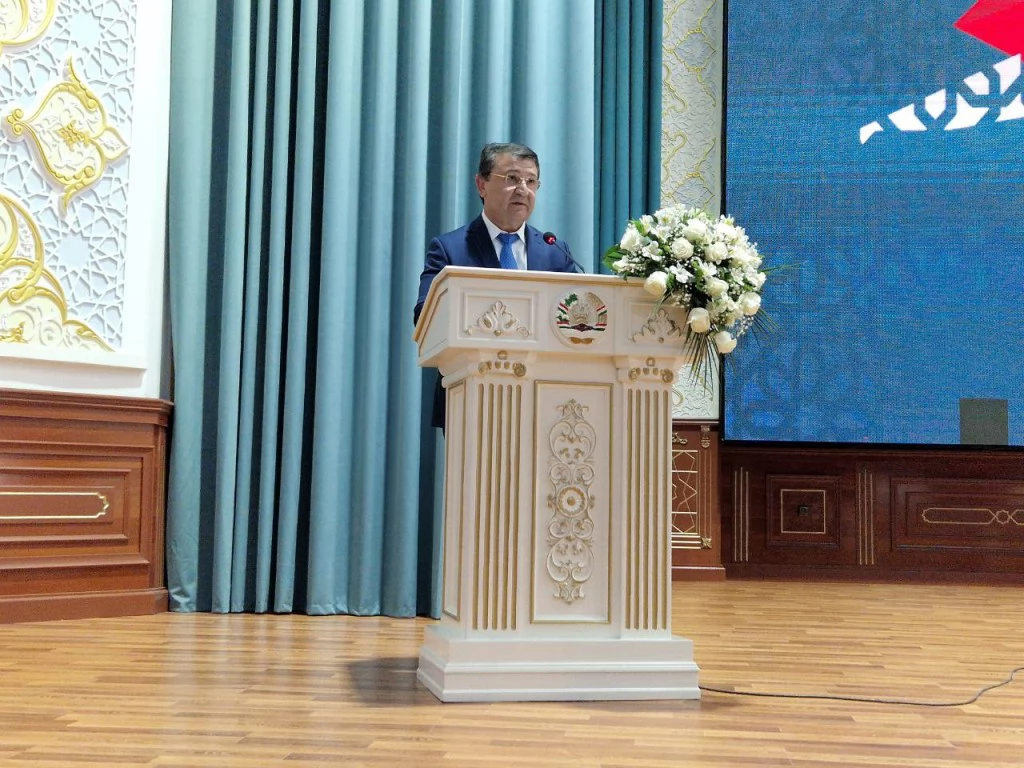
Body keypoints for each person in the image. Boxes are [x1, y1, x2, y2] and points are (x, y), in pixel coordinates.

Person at [414, 142, 580, 427]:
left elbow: (572, 321)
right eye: (512, 179)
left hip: (545, 401)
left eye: (531, 181)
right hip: (470, 399)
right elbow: (424, 317)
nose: (523, 189)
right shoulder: (449, 249)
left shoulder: (555, 251)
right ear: (482, 185)